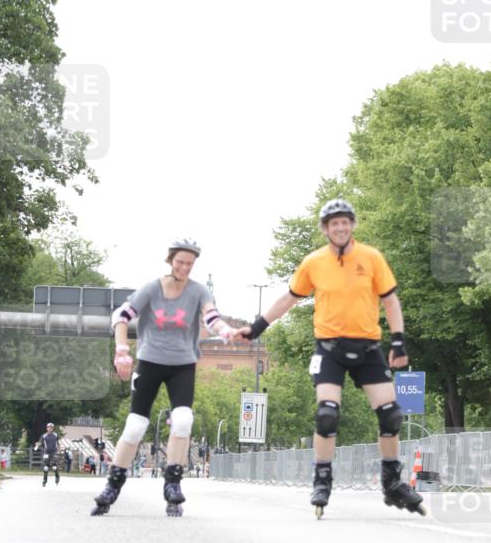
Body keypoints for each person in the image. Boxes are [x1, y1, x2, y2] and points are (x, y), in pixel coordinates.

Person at [236, 199, 425, 518]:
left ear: (352, 225)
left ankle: (392, 483)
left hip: (368, 347)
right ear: (325, 229)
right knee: (327, 414)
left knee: (391, 415)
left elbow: (390, 301)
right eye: (334, 223)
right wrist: (256, 327)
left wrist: (398, 342)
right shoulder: (314, 262)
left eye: (345, 222)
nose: (340, 227)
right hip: (329, 349)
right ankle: (322, 479)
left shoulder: (372, 258)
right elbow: (289, 298)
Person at [90, 238, 239, 516]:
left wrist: (226, 330)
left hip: (182, 364)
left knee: (183, 420)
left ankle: (172, 483)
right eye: (180, 262)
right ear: (171, 260)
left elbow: (211, 317)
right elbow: (121, 316)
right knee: (135, 426)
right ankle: (113, 484)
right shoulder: (152, 289)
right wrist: (122, 351)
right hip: (150, 361)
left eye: (190, 264)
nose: (184, 268)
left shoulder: (198, 291)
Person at [35, 422, 60, 487]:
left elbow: (57, 443)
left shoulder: (56, 435)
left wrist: (59, 449)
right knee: (46, 467)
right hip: (46, 453)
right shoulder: (44, 435)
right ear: (47, 428)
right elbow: (40, 442)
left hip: (54, 452)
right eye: (48, 427)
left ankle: (57, 477)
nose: (49, 429)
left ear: (52, 428)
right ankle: (44, 480)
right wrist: (37, 445)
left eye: (51, 428)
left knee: (54, 467)